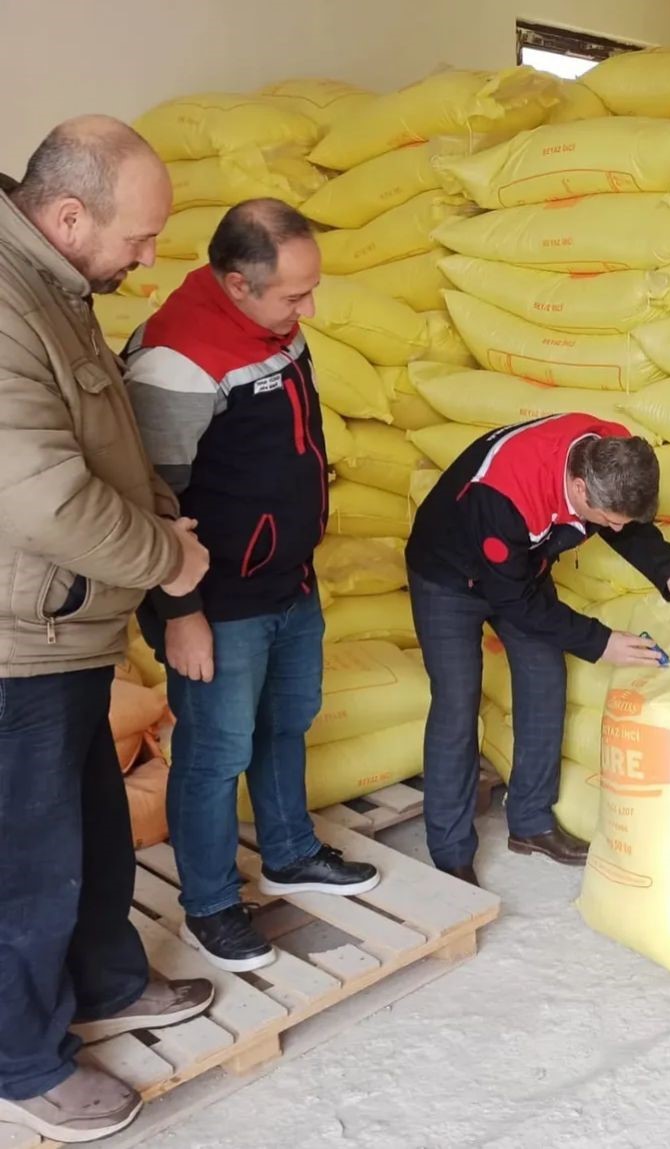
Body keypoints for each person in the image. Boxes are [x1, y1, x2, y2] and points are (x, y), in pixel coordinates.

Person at [0, 118, 214, 1144]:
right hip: (18, 645)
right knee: (26, 863)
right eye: (140, 237)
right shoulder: (5, 297)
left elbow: (95, 443)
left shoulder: (59, 285)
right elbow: (36, 493)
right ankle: (25, 1060)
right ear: (70, 214)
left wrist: (156, 515)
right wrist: (168, 558)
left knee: (88, 833)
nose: (150, 256)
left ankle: (107, 984)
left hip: (71, 628)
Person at [122, 199, 378, 976]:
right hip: (218, 603)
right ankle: (208, 905)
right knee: (213, 751)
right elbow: (149, 504)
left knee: (287, 721)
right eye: (293, 296)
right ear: (236, 283)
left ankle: (290, 853)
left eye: (311, 290)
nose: (309, 310)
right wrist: (181, 614)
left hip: (287, 579)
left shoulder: (272, 325)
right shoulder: (177, 358)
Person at [406, 416, 670, 886]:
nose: (611, 527)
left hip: (518, 568)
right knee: (457, 703)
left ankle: (531, 822)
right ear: (581, 489)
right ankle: (451, 853)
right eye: (605, 520)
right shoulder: (503, 495)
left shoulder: (609, 448)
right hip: (449, 575)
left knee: (545, 675)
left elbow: (626, 524)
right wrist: (601, 642)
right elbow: (515, 603)